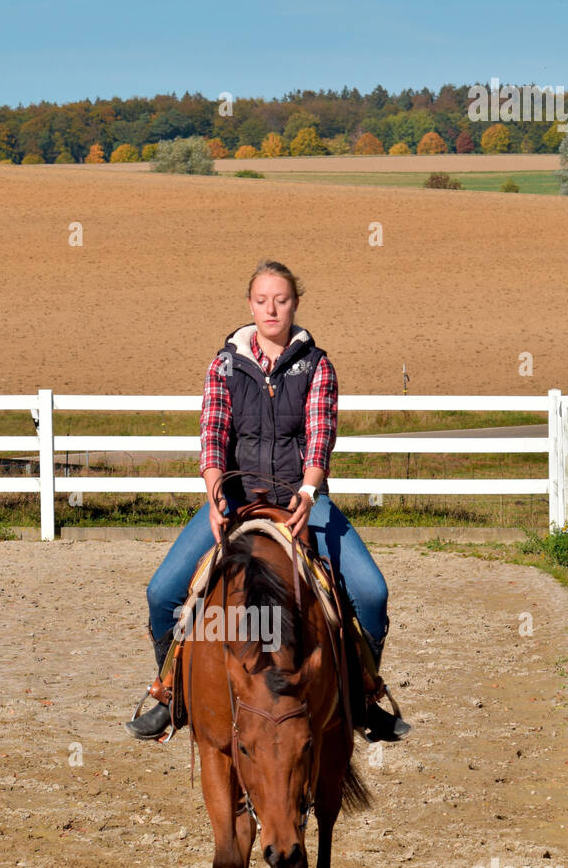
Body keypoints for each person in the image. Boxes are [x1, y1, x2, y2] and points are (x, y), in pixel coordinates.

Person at [124, 259, 408, 743]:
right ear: (250, 305)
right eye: (262, 300)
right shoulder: (225, 365)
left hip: (303, 501)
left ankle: (362, 695)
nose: (271, 308)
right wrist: (215, 497)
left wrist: (308, 490)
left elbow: (321, 438)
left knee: (373, 592)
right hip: (235, 500)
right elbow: (212, 435)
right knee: (161, 593)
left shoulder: (318, 366)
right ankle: (172, 694)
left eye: (281, 299)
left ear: (295, 302)